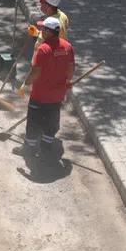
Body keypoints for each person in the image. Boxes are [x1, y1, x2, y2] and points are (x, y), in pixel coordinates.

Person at [18, 16, 76, 154]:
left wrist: (25, 85)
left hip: (40, 94)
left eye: (43, 29)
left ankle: (29, 149)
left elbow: (35, 72)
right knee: (51, 122)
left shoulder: (44, 49)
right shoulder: (67, 46)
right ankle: (46, 147)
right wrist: (67, 81)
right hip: (57, 95)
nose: (41, 31)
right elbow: (71, 68)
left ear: (49, 31)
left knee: (33, 123)